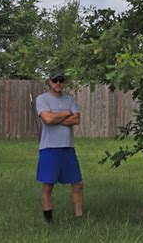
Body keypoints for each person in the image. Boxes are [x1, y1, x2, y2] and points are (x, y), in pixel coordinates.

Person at [35, 69, 83, 223]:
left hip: (68, 148)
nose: (58, 84)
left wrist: (55, 117)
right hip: (49, 148)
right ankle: (49, 222)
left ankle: (78, 219)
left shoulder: (70, 99)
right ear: (49, 82)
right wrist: (66, 113)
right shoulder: (42, 99)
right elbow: (47, 119)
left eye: (61, 81)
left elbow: (76, 120)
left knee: (78, 184)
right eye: (55, 80)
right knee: (48, 185)